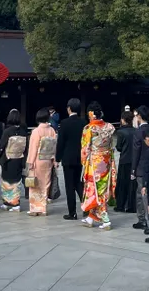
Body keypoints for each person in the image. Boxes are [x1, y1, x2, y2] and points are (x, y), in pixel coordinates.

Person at [80, 102, 116, 230]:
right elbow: (111, 145)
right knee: (101, 189)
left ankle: (105, 219)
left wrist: (83, 162)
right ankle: (90, 218)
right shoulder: (109, 127)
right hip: (106, 161)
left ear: (91, 114)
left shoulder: (89, 129)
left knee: (95, 191)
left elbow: (85, 148)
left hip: (94, 163)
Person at [56, 98, 87, 220]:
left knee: (69, 185)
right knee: (78, 183)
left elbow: (61, 143)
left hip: (68, 158)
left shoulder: (64, 123)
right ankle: (86, 207)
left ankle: (72, 212)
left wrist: (57, 158)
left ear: (69, 108)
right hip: (80, 157)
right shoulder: (83, 123)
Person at [0, 110, 29, 212]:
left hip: (8, 159)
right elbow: (26, 147)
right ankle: (14, 203)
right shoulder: (23, 131)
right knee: (16, 182)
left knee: (6, 182)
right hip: (18, 158)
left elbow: (2, 145)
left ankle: (11, 203)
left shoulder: (7, 131)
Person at [27, 108, 57, 216]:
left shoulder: (36, 131)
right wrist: (54, 160)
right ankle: (43, 208)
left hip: (38, 160)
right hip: (48, 159)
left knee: (35, 184)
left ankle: (35, 208)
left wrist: (30, 161)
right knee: (45, 184)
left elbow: (33, 148)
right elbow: (54, 147)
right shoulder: (52, 130)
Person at [131, 105, 149, 232]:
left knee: (140, 194)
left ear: (139, 116)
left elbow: (136, 152)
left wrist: (133, 169)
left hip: (141, 167)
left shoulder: (138, 132)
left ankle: (142, 220)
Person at [114, 111, 137, 213]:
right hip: (134, 159)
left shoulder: (121, 132)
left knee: (122, 183)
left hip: (124, 159)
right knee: (132, 183)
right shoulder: (136, 131)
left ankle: (121, 205)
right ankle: (132, 206)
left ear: (123, 120)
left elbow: (119, 147)